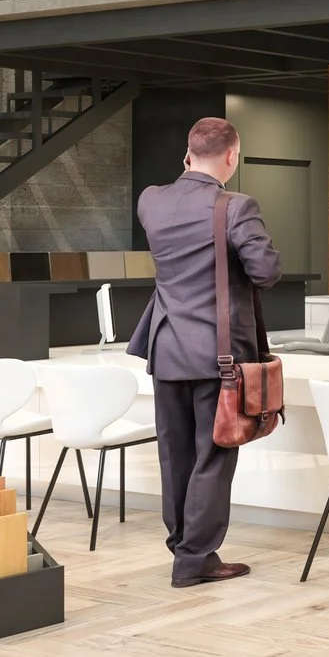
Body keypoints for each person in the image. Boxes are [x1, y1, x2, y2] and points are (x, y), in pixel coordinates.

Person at [128, 116, 282, 586]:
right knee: (213, 454)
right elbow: (266, 271)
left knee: (174, 454)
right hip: (218, 354)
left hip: (166, 346)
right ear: (233, 157)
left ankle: (182, 545)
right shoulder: (235, 206)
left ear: (187, 154)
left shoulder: (151, 200)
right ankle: (195, 558)